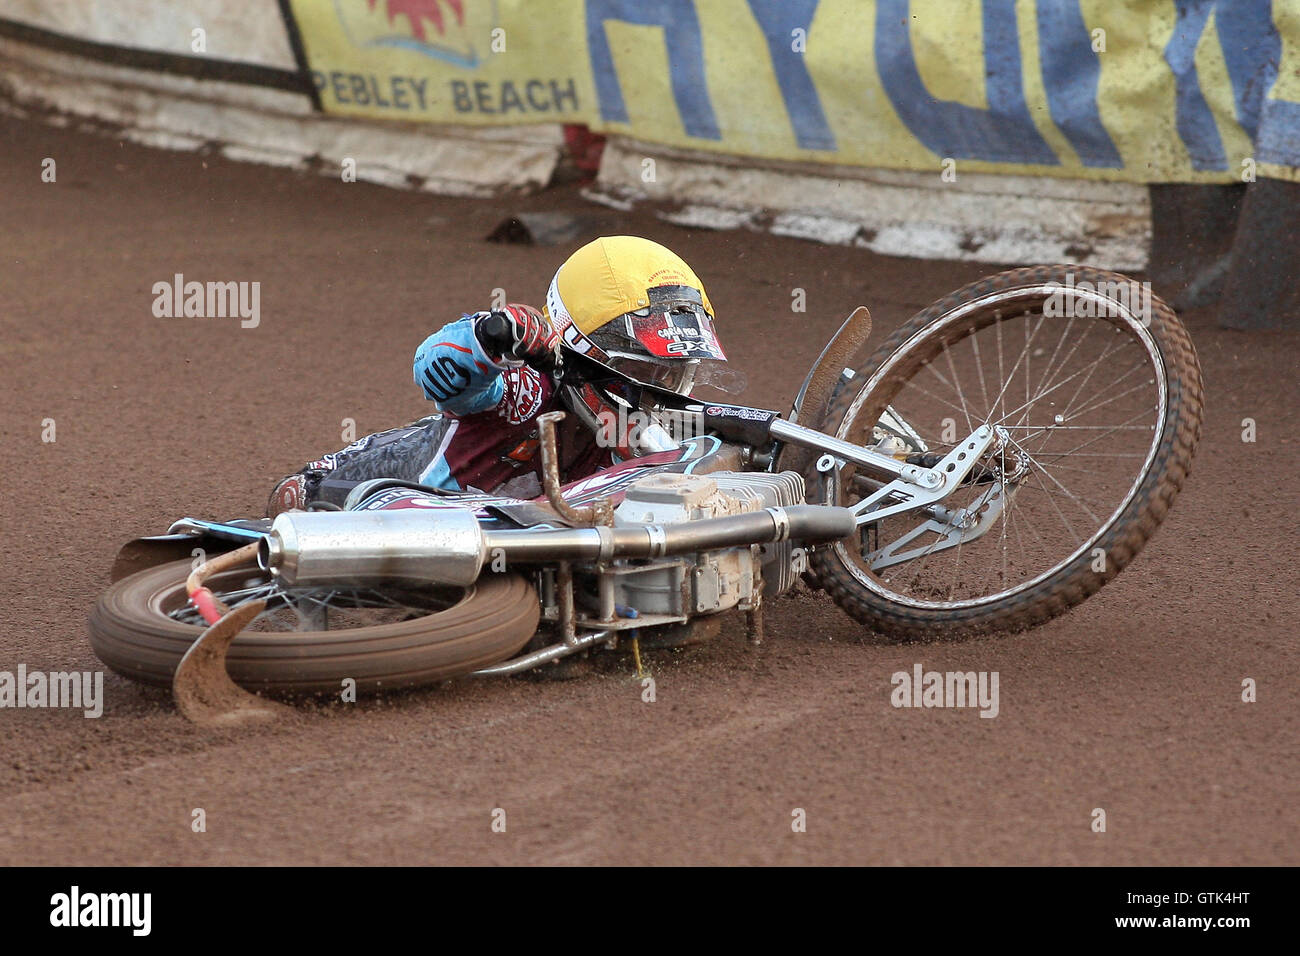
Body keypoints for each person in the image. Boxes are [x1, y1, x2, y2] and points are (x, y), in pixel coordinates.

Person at [266, 235, 731, 515]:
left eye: (672, 375)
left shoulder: (646, 440)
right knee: (293, 503)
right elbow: (434, 372)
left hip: (510, 539)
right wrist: (490, 337)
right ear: (586, 354)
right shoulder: (525, 390)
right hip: (371, 493)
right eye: (638, 369)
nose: (657, 391)